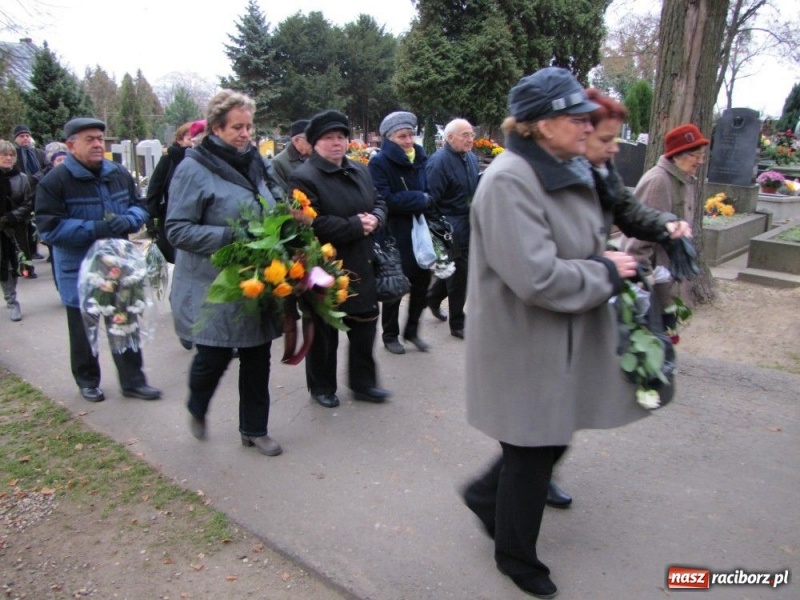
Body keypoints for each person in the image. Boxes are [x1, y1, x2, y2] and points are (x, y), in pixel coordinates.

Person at [460, 67, 650, 599]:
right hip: (524, 338)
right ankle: (516, 558)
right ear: (541, 125)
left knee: (547, 437)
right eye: (577, 118)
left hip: (558, 333)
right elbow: (536, 277)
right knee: (532, 447)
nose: (589, 127)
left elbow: (588, 232)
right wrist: (607, 271)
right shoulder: (509, 180)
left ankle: (482, 496)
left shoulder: (565, 165)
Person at [166, 90, 283, 456]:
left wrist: (283, 215)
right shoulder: (193, 169)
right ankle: (197, 405)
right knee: (213, 358)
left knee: (257, 356)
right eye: (237, 127)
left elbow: (272, 193)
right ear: (216, 128)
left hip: (255, 278)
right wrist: (232, 235)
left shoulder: (255, 161)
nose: (245, 134)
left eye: (249, 126)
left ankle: (254, 429)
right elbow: (177, 229)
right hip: (212, 283)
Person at [35, 117, 161, 404]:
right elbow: (49, 229)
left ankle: (133, 381)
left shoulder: (117, 172)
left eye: (99, 139)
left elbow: (139, 206)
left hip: (118, 264)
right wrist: (95, 229)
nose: (96, 144)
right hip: (79, 269)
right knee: (83, 329)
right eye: (89, 139)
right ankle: (87, 380)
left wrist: (128, 219)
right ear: (70, 145)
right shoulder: (55, 182)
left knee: (124, 323)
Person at [288, 110, 391, 408]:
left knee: (365, 326)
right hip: (323, 266)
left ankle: (363, 384)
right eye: (329, 138)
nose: (337, 143)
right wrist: (357, 226)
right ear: (315, 143)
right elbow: (311, 223)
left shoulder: (360, 169)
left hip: (362, 262)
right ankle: (322, 386)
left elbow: (379, 200)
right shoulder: (302, 178)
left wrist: (377, 218)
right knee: (323, 331)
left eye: (341, 137)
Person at [620, 122, 709, 317]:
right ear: (679, 154)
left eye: (702, 155)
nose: (700, 161)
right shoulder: (659, 182)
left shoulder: (681, 180)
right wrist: (651, 292)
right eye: (696, 155)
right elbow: (638, 244)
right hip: (656, 289)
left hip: (669, 282)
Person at [368, 111, 432, 355]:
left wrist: (424, 198)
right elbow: (385, 199)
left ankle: (412, 330)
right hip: (394, 232)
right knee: (395, 282)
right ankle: (390, 334)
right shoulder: (379, 162)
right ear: (389, 138)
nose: (407, 141)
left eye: (409, 135)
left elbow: (428, 190)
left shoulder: (419, 158)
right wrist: (419, 199)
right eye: (401, 136)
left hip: (419, 230)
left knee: (422, 282)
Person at [424, 118, 480, 339]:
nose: (470, 139)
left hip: (468, 223)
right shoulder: (438, 163)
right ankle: (458, 323)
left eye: (471, 134)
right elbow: (431, 201)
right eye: (465, 135)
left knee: (460, 273)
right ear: (449, 138)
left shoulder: (471, 158)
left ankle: (433, 297)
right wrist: (439, 232)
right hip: (450, 227)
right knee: (459, 277)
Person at [146, 121, 194, 264]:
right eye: (189, 139)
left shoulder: (200, 161)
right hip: (170, 215)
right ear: (180, 140)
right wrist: (151, 220)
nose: (192, 143)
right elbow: (154, 190)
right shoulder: (168, 160)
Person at [0, 140, 33, 322]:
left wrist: (11, 217)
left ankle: (12, 300)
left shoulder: (21, 178)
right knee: (3, 265)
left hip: (15, 229)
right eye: (4, 154)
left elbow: (29, 203)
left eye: (11, 155)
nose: (8, 158)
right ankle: (11, 300)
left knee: (15, 266)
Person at [11, 125, 44, 275]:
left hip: (39, 192)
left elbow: (48, 167)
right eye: (21, 136)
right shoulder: (13, 154)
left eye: (27, 136)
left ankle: (35, 251)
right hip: (20, 198)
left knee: (40, 223)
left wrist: (36, 177)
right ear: (15, 139)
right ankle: (26, 266)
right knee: (24, 231)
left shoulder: (37, 153)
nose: (25, 138)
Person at [272, 119, 311, 192]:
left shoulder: (315, 158)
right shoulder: (278, 163)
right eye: (310, 139)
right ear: (296, 140)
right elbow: (281, 197)